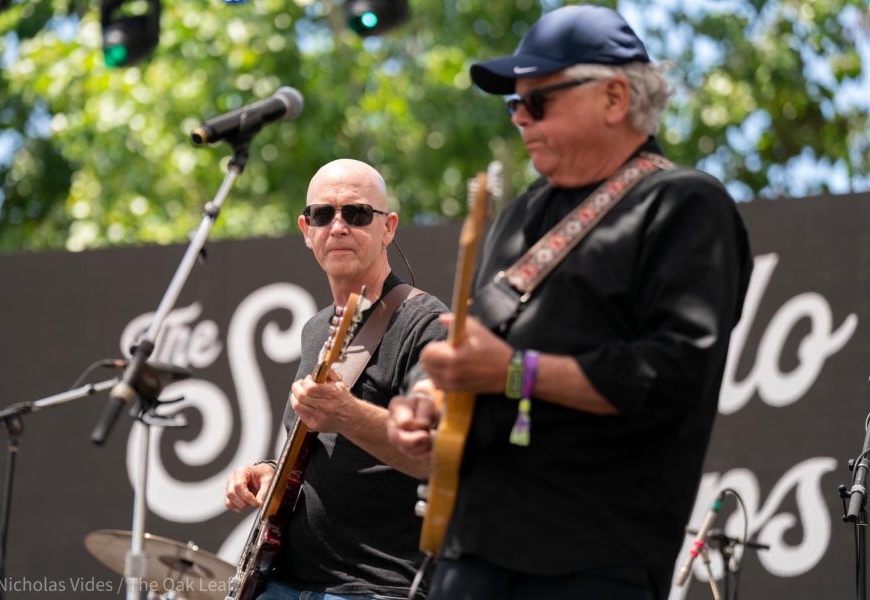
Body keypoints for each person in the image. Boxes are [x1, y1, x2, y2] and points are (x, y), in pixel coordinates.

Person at [386, 5, 753, 600]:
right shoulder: (518, 215)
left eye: (539, 101)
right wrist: (424, 398)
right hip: (469, 548)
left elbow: (673, 375)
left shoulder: (685, 205)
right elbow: (467, 347)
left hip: (593, 559)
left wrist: (512, 373)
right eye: (513, 104)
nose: (519, 119)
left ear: (613, 97)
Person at [225, 159, 447, 599]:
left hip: (374, 586)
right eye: (323, 215)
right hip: (283, 582)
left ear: (389, 228)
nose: (338, 226)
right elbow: (314, 451)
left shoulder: (425, 322)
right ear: (306, 231)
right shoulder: (314, 329)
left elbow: (438, 456)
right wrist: (266, 472)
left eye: (358, 213)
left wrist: (347, 414)